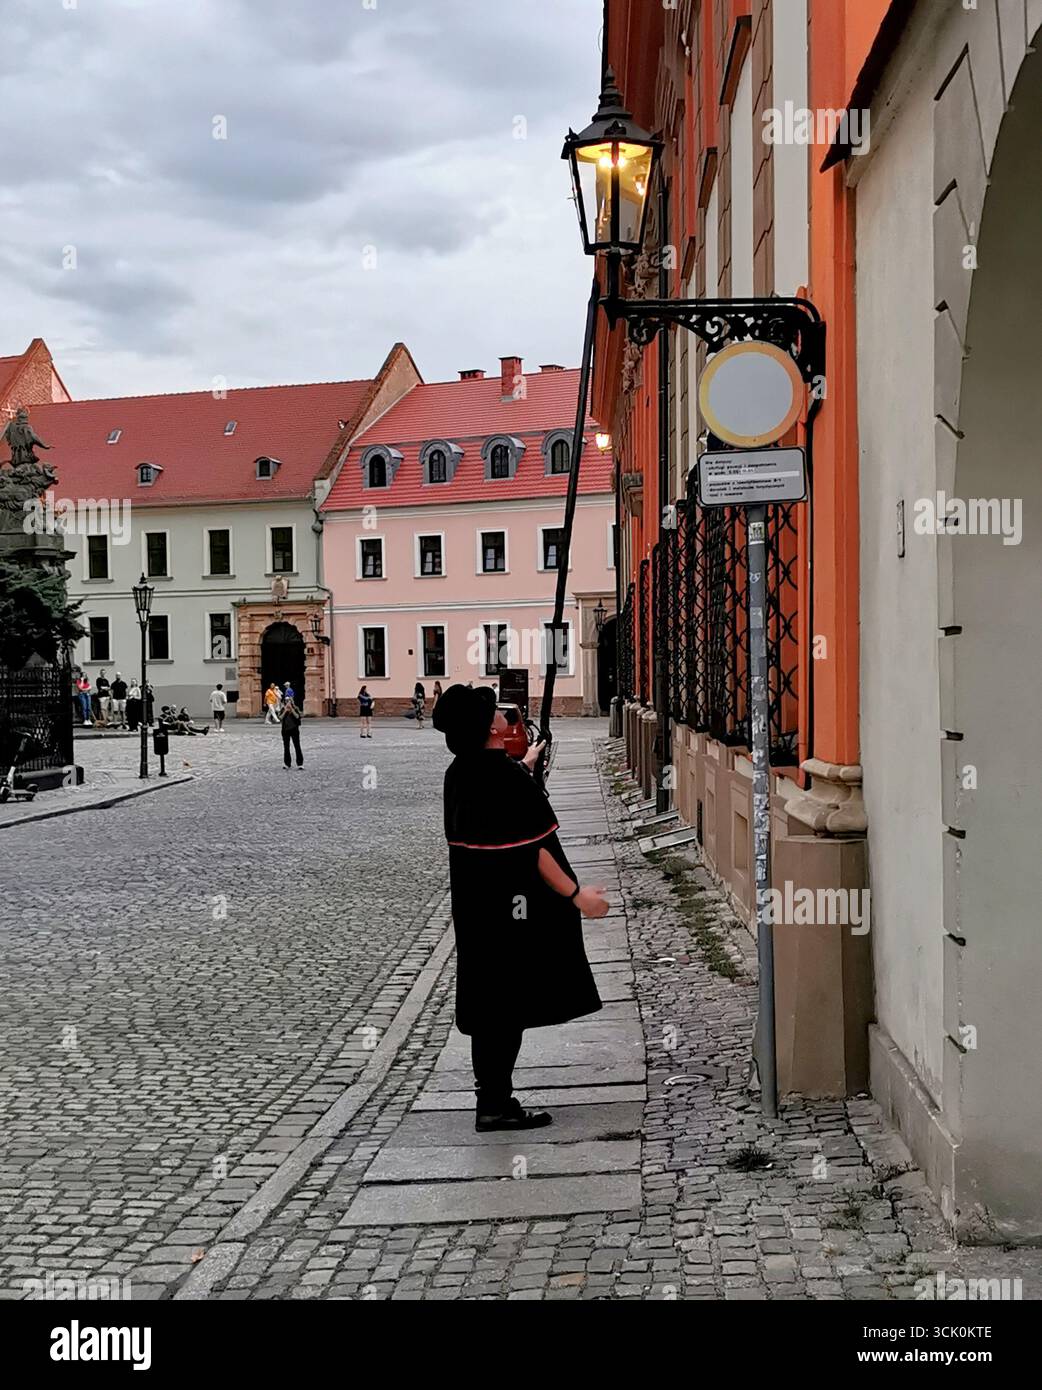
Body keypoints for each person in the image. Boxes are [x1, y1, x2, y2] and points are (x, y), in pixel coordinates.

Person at [432, 684, 609, 1132]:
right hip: (513, 912)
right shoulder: (502, 778)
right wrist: (576, 895)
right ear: (489, 726)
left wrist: (525, 769)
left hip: (477, 910)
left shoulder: (461, 772)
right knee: (504, 1009)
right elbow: (534, 851)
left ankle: (491, 1097)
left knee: (489, 1003)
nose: (503, 716)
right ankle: (495, 1104)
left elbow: (498, 812)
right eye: (495, 712)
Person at [281, 696, 303, 769]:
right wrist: (285, 711)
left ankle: (300, 763)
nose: (288, 702)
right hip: (285, 730)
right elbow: (280, 717)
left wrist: (292, 710)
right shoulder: (283, 709)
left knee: (297, 746)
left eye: (289, 701)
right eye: (286, 701)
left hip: (294, 730)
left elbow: (297, 717)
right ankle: (287, 763)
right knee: (286, 747)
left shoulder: (296, 709)